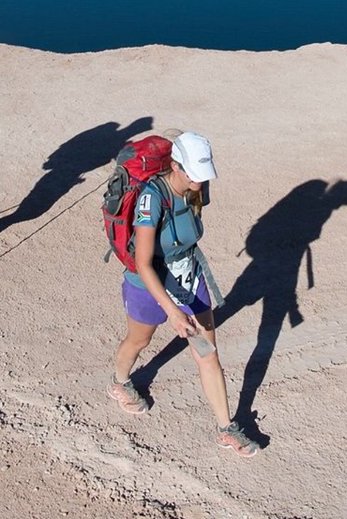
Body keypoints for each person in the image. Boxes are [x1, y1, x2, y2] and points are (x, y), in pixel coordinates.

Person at [108, 131, 260, 456]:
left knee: (208, 353)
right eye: (194, 175)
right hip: (148, 281)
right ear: (175, 166)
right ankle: (121, 382)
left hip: (189, 275)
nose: (201, 183)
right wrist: (173, 312)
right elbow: (144, 263)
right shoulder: (151, 199)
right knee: (140, 340)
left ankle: (227, 428)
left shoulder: (196, 188)